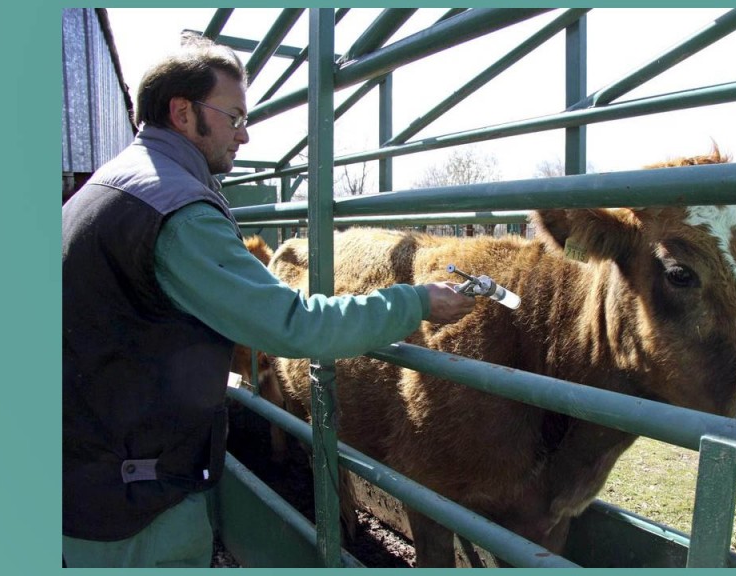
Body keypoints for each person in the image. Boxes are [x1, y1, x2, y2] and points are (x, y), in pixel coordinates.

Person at [61, 36, 475, 568]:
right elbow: (293, 325)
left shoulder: (112, 184)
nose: (245, 133)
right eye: (233, 117)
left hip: (91, 474)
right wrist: (413, 302)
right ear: (183, 113)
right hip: (132, 499)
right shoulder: (177, 211)